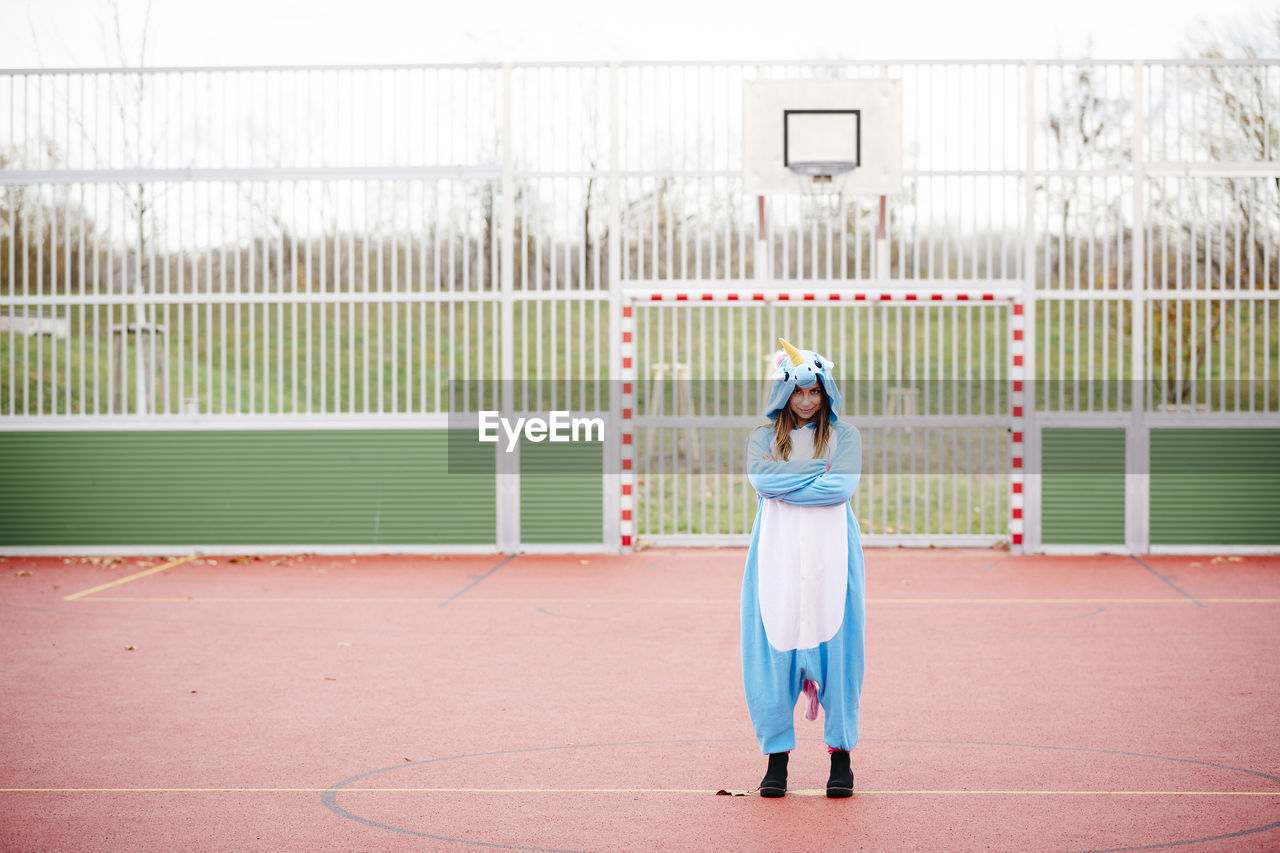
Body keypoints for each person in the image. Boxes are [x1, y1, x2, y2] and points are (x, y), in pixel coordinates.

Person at [741, 337, 866, 799]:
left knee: (839, 653)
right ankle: (777, 761)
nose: (808, 400)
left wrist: (786, 483)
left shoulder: (844, 436)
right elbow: (761, 479)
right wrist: (818, 472)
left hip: (832, 556)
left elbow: (839, 490)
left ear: (827, 392)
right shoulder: (762, 437)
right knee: (774, 649)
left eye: (815, 391)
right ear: (783, 393)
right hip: (777, 555)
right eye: (798, 391)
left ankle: (841, 758)